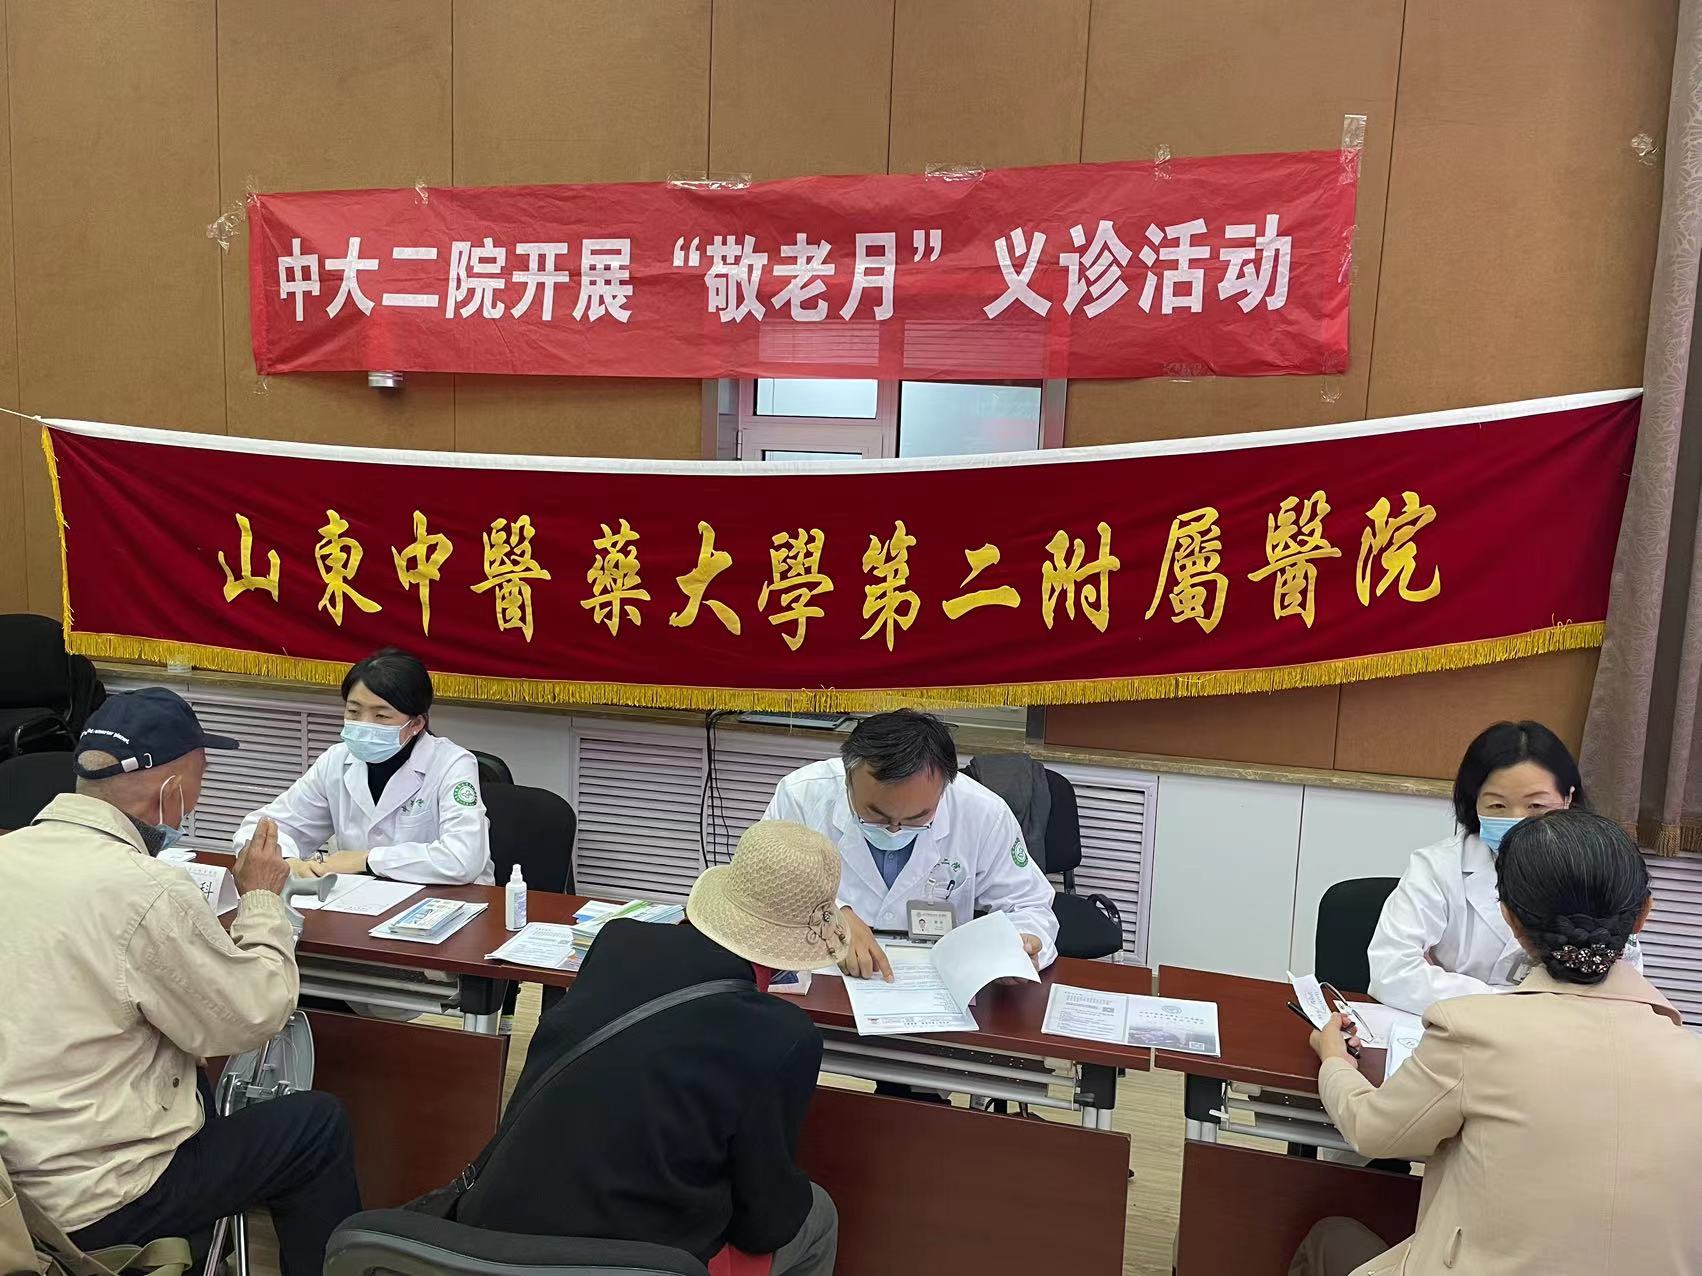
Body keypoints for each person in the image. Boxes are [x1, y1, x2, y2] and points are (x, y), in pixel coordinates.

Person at [0, 688, 360, 1276]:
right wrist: (262, 901)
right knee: (316, 1128)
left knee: (191, 1081)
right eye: (200, 776)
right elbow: (252, 1015)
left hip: (10, 1189)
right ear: (170, 790)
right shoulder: (147, 890)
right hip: (95, 1199)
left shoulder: (8, 854)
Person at [1294, 809, 1702, 1276]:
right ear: (1644, 915)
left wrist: (1334, 1060)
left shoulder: (1476, 1032)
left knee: (1330, 1238)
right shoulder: (1693, 1062)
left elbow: (1373, 1131)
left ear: (1509, 919)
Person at [455, 820, 842, 1276]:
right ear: (788, 953)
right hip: (634, 1263)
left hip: (492, 1231)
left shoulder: (618, 940)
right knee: (818, 1215)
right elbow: (764, 1224)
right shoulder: (785, 1034)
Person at [762, 709, 1059, 980]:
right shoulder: (802, 796)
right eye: (876, 815)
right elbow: (760, 886)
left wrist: (1020, 946)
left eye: (918, 818)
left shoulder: (983, 813)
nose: (894, 830)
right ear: (848, 779)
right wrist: (829, 914)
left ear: (945, 787)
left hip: (939, 978)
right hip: (823, 972)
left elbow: (1029, 905)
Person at [1368, 720, 1640, 1014]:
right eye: (1497, 806)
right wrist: (1512, 1006)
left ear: (1568, 799)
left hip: (1561, 1032)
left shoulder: (1597, 868)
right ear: (1474, 803)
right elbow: (1392, 973)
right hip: (1460, 1028)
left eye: (1536, 806)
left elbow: (1623, 984)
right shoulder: (1437, 867)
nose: (1516, 821)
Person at [233, 647, 493, 885]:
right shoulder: (337, 760)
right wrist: (290, 862)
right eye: (354, 712)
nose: (364, 724)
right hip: (358, 900)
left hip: (448, 901)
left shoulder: (452, 764)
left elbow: (462, 859)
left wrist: (366, 860)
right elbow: (258, 829)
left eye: (381, 715)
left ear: (416, 723)